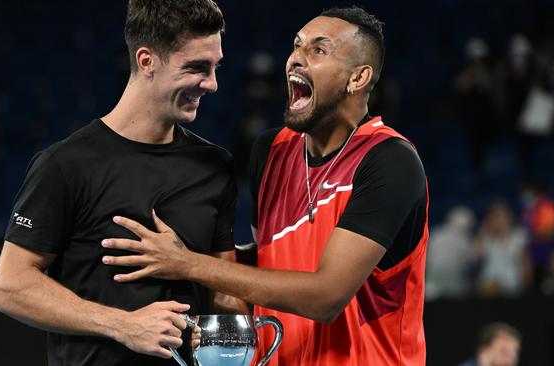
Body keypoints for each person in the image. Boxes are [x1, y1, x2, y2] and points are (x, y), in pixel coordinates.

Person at [102, 6, 429, 365]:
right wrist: (202, 245)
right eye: (296, 46)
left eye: (318, 50)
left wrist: (186, 262)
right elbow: (263, 264)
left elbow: (326, 297)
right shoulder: (271, 151)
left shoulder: (389, 160)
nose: (295, 60)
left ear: (358, 78)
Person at [0, 1, 246, 365]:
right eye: (196, 68)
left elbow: (222, 291)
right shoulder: (64, 165)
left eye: (215, 67)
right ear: (147, 61)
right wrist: (124, 325)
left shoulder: (215, 167)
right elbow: (10, 287)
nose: (212, 84)